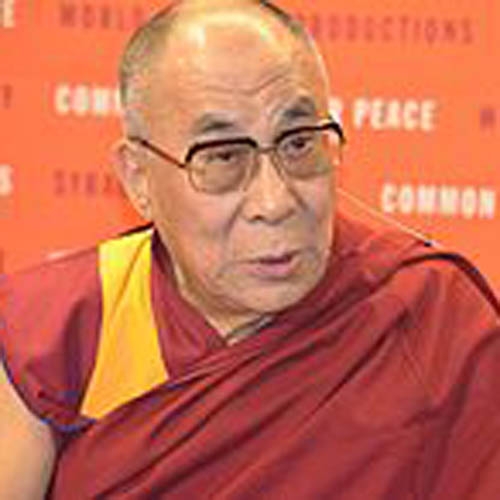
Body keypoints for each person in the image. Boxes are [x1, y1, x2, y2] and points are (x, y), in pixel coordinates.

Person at [1, 0, 499, 498]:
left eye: (298, 143)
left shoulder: (427, 314)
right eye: (222, 157)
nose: (274, 202)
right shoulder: (57, 332)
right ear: (139, 179)